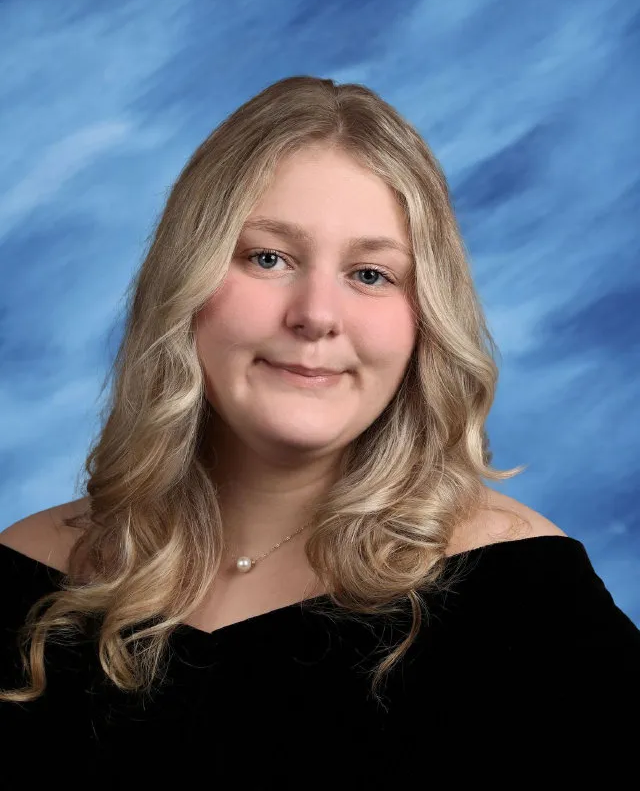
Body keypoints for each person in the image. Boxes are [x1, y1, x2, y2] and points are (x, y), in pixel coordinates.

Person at [0, 75, 638, 786]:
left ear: (424, 320)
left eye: (370, 274)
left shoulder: (524, 597)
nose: (316, 314)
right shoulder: (26, 579)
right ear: (187, 283)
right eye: (268, 258)